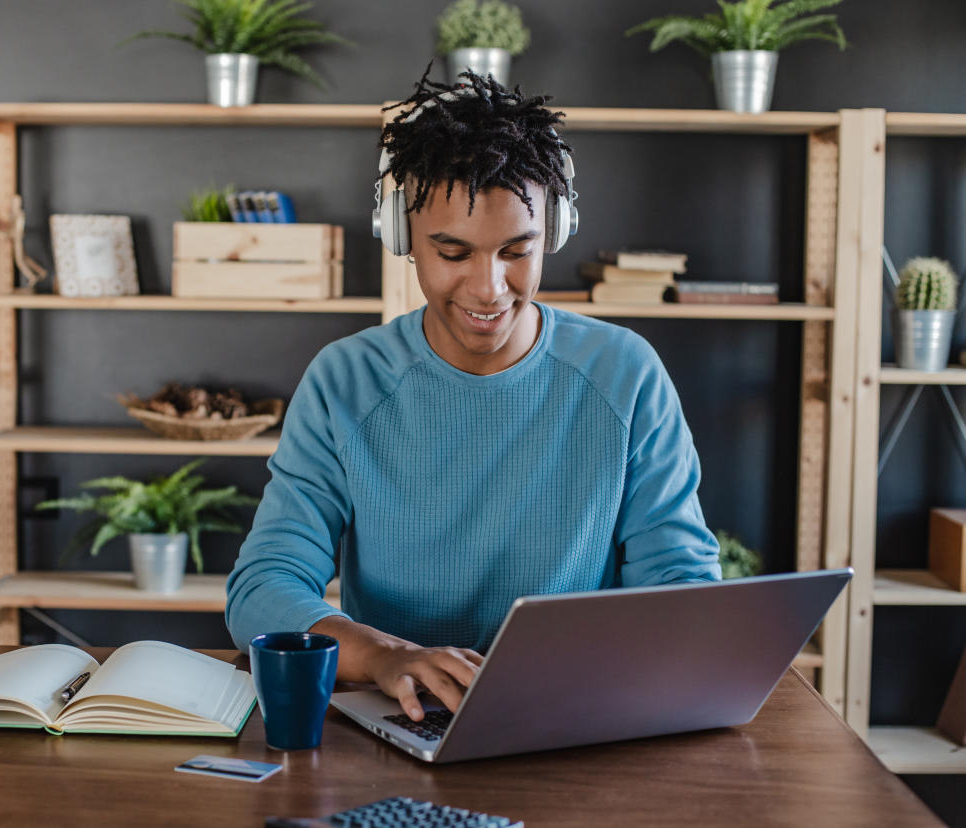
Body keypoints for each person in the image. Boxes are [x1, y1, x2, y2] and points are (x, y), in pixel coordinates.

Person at [225, 68, 720, 723]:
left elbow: (680, 585)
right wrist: (383, 657)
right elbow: (263, 588)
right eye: (452, 252)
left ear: (557, 230)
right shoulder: (345, 382)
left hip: (576, 721)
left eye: (517, 251)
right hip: (405, 716)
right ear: (401, 237)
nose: (488, 288)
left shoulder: (624, 373)